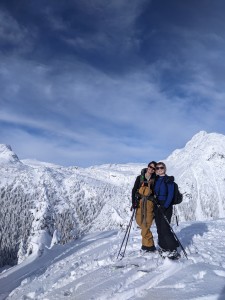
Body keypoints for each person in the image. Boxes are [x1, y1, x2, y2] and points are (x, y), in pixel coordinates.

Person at [153, 162, 180, 259]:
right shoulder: (156, 180)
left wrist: (165, 206)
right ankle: (164, 247)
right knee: (159, 227)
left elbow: (170, 195)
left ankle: (173, 249)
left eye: (161, 167)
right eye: (157, 168)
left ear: (165, 168)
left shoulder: (169, 180)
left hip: (166, 206)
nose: (159, 169)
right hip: (157, 206)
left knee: (165, 228)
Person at [131, 161, 157, 252]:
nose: (151, 169)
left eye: (154, 168)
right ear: (148, 166)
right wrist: (133, 202)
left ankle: (149, 246)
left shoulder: (155, 179)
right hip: (140, 203)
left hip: (149, 204)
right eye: (150, 167)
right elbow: (134, 190)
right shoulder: (140, 178)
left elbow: (156, 192)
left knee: (147, 224)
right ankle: (147, 245)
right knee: (140, 222)